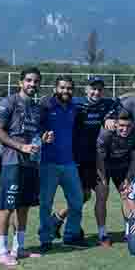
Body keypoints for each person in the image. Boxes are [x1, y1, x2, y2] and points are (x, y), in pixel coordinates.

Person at [0, 67, 51, 267]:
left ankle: (20, 248)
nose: (32, 84)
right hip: (11, 162)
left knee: (23, 207)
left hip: (30, 163)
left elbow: (33, 135)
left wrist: (44, 138)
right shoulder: (9, 102)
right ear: (20, 82)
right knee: (6, 207)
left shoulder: (35, 108)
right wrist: (20, 146)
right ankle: (1, 251)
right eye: (28, 80)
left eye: (36, 81)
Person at [64, 76, 119, 237]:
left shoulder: (108, 104)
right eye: (93, 89)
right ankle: (62, 220)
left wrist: (111, 118)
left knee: (102, 193)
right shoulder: (75, 103)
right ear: (86, 89)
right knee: (82, 196)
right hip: (79, 158)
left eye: (100, 89)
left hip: (98, 158)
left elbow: (121, 102)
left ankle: (102, 233)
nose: (96, 92)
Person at [38, 75, 87, 251]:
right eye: (62, 88)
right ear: (55, 88)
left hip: (69, 163)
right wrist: (42, 135)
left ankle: (71, 235)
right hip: (48, 163)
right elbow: (35, 127)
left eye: (69, 88)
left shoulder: (75, 108)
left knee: (77, 201)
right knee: (45, 203)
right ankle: (45, 238)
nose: (66, 91)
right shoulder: (45, 105)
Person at [94, 110, 135, 247]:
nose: (125, 129)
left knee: (126, 194)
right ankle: (102, 233)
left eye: (128, 126)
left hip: (122, 166)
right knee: (102, 194)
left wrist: (128, 177)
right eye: (121, 125)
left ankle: (128, 232)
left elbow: (134, 159)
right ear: (115, 124)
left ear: (133, 125)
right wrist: (103, 179)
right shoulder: (106, 134)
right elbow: (100, 159)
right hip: (104, 166)